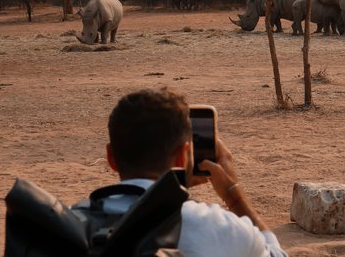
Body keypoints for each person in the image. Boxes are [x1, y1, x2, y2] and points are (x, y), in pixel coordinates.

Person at [103, 87, 288, 257]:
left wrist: (170, 188)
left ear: (111, 158)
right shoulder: (222, 229)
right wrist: (235, 198)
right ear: (183, 156)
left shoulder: (77, 223)